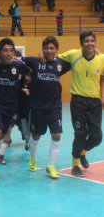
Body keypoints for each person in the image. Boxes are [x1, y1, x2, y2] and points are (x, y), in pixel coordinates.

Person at [22, 36, 71, 179]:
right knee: (36, 135)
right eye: (46, 48)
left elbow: (77, 57)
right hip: (37, 106)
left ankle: (51, 165)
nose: (49, 51)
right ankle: (33, 158)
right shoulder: (34, 61)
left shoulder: (61, 64)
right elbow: (18, 58)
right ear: (42, 49)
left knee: (56, 135)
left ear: (57, 50)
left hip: (54, 106)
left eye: (52, 48)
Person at [0, 38, 29, 178]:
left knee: (1, 135)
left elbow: (32, 68)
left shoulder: (18, 66)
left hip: (11, 106)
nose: (8, 53)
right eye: (5, 50)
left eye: (11, 50)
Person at [58, 31, 104, 178]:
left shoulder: (101, 58)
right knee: (80, 134)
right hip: (78, 101)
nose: (90, 43)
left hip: (95, 103)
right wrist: (41, 55)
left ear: (95, 42)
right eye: (86, 41)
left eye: (92, 41)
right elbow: (53, 58)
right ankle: (75, 165)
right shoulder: (73, 54)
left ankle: (82, 153)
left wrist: (102, 97)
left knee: (97, 137)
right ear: (81, 43)